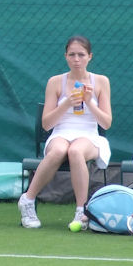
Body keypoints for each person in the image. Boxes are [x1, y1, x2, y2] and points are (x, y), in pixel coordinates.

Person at [18, 35, 112, 230]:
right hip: (61, 132)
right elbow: (46, 124)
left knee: (75, 151)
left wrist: (88, 101)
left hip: (89, 135)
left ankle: (81, 211)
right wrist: (68, 102)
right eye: (72, 55)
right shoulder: (55, 82)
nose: (76, 59)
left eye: (81, 55)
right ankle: (27, 200)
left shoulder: (101, 82)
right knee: (59, 151)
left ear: (89, 57)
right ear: (66, 57)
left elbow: (106, 122)